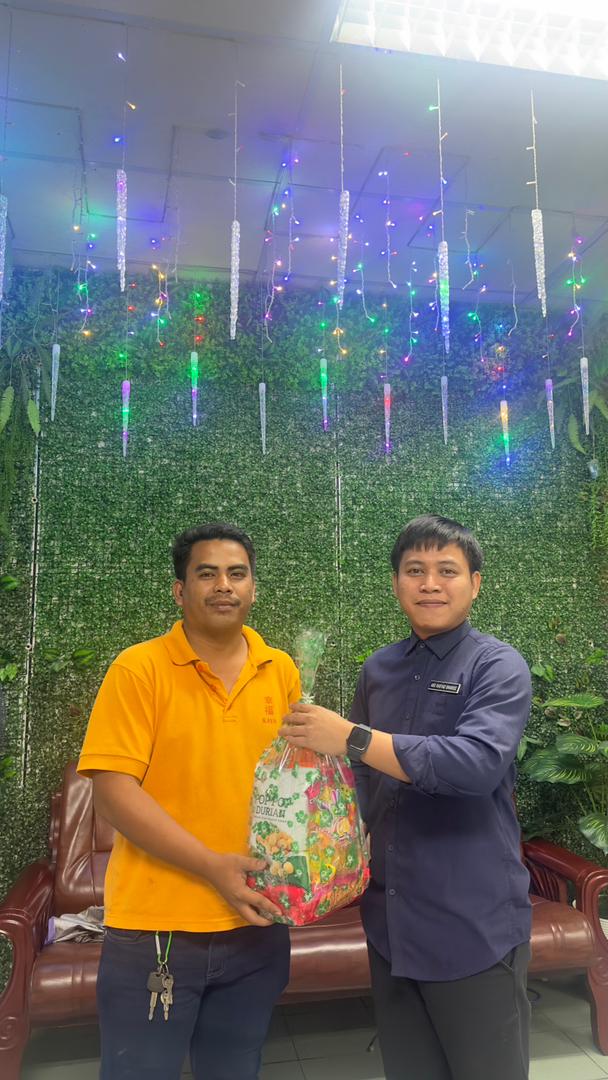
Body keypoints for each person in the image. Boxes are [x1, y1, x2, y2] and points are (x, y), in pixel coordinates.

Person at [281, 514, 532, 1080]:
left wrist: (352, 737)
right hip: (391, 922)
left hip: (471, 922)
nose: (430, 584)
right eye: (415, 570)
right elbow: (363, 778)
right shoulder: (379, 669)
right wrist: (329, 840)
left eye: (448, 571)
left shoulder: (497, 666)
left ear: (475, 583)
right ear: (396, 582)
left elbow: (475, 765)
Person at [77, 523, 301, 1080]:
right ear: (180, 591)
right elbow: (113, 794)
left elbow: (295, 787)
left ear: (253, 589)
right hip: (157, 928)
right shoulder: (139, 669)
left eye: (237, 574)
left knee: (235, 1070)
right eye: (207, 574)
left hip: (256, 922)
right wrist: (212, 867)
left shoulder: (281, 670)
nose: (224, 585)